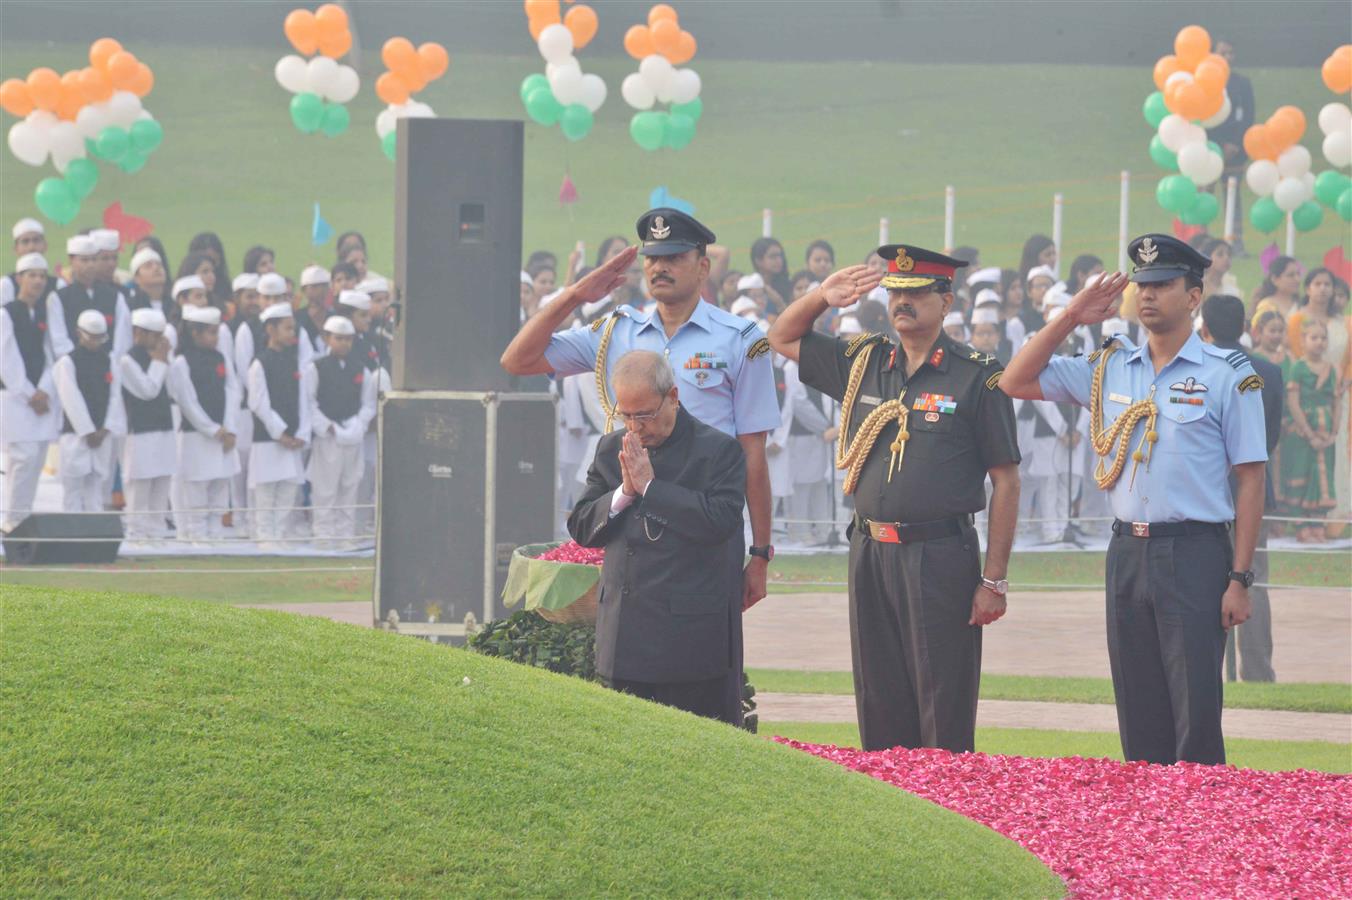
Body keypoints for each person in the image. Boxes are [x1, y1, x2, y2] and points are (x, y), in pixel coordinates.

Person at [502, 209, 781, 723]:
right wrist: (572, 298)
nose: (660, 268)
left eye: (674, 257)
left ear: (703, 266)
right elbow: (519, 360)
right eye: (652, 258)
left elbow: (752, 454)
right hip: (632, 530)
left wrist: (760, 552)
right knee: (626, 688)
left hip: (701, 525)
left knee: (704, 686)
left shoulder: (740, 339)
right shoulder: (615, 330)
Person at [1001, 234, 1267, 766]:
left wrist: (1239, 579)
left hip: (1194, 552)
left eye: (1162, 284)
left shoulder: (1227, 374)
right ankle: (1144, 834)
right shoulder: (1110, 367)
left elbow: (1251, 478)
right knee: (1136, 702)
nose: (1147, 295)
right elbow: (1014, 379)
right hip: (1128, 552)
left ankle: (1198, 827)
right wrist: (1071, 316)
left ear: (1193, 296)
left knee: (1194, 706)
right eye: (1141, 285)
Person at [768, 244, 1021, 753]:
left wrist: (993, 579)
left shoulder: (977, 374)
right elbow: (782, 336)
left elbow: (1007, 480)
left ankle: (945, 810)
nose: (901, 302)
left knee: (941, 699)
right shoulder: (865, 362)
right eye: (895, 292)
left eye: (916, 293)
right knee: (878, 694)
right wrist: (822, 296)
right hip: (870, 552)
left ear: (946, 301)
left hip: (940, 555)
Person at [567, 350, 747, 723]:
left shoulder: (718, 451)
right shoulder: (610, 448)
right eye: (626, 415)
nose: (635, 427)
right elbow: (583, 526)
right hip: (625, 638)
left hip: (690, 643)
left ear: (673, 397)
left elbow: (720, 522)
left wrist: (651, 488)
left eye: (644, 415)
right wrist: (625, 493)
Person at [1200, 294, 1281, 682]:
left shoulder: (1202, 369)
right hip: (1255, 487)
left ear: (1205, 329)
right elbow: (1271, 437)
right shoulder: (1269, 371)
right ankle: (1258, 671)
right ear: (1247, 327)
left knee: (1204, 582)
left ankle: (1208, 670)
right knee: (1254, 580)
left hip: (1208, 491)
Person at [168, 304, 240, 544]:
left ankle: (215, 536)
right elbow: (187, 402)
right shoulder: (181, 362)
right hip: (197, 436)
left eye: (217, 332)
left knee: (219, 488)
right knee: (196, 491)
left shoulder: (221, 358)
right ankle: (197, 537)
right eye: (210, 332)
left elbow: (232, 391)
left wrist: (228, 427)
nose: (215, 338)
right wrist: (212, 429)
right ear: (195, 333)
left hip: (224, 435)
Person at [1, 252, 61, 531]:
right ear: (19, 279)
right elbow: (7, 358)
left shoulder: (47, 313)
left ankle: (21, 519)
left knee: (35, 459)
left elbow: (52, 353)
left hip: (42, 400)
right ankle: (12, 520)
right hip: (17, 401)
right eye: (31, 275)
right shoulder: (6, 313)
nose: (37, 281)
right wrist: (29, 393)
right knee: (20, 461)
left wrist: (45, 389)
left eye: (41, 276)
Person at [304, 316, 376, 549]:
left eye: (348, 339)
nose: (344, 343)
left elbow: (368, 404)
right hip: (328, 437)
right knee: (325, 490)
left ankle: (345, 537)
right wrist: (328, 426)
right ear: (327, 338)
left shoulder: (360, 368)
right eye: (339, 338)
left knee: (350, 487)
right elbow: (309, 403)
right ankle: (323, 537)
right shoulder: (316, 367)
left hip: (353, 434)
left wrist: (358, 425)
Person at [247, 302, 310, 550]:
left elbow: (303, 399)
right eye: (287, 328)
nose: (292, 333)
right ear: (271, 329)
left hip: (292, 438)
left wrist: (301, 433)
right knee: (266, 491)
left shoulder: (293, 361)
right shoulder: (260, 363)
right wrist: (280, 432)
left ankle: (281, 534)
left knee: (287, 490)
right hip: (268, 438)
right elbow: (258, 402)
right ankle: (266, 536)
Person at [53, 310, 125, 512]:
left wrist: (105, 428)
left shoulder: (108, 360)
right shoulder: (67, 362)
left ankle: (94, 533)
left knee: (96, 487)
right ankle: (73, 537)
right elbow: (71, 398)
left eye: (100, 338)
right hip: (76, 435)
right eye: (92, 337)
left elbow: (115, 396)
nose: (96, 342)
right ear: (79, 333)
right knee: (73, 488)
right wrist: (87, 430)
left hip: (102, 434)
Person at [119, 308, 176, 541]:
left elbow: (171, 389)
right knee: (140, 487)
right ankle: (137, 534)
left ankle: (156, 533)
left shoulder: (160, 358)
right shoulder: (127, 360)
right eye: (154, 335)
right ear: (138, 333)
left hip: (164, 427)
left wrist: (163, 361)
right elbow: (148, 390)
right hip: (140, 432)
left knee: (161, 484)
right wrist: (160, 362)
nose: (158, 341)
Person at [1281, 318, 1339, 542]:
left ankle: (1317, 523)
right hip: (1302, 432)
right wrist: (1308, 433)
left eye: (1323, 338)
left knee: (1323, 476)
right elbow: (1293, 402)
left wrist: (1333, 432)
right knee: (1301, 474)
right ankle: (1300, 525)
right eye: (1314, 338)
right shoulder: (1298, 368)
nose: (1320, 342)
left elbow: (1336, 402)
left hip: (1326, 433)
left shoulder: (1331, 369)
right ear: (1303, 342)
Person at [50, 235, 131, 360]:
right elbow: (59, 340)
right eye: (84, 260)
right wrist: (77, 362)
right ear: (71, 260)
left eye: (93, 260)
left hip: (108, 367)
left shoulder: (115, 296)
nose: (90, 265)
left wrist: (110, 363)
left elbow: (122, 339)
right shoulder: (58, 298)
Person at [1209, 38, 1255, 253]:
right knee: (1204, 199)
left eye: (1231, 53)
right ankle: (1203, 245)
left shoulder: (1242, 84)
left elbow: (1248, 117)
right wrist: (1217, 146)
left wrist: (1235, 145)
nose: (1228, 57)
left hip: (1235, 153)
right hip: (1207, 153)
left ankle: (1236, 243)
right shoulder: (1204, 82)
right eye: (1223, 52)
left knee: (1233, 199)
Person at [2, 218, 64, 307]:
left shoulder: (58, 284)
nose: (31, 247)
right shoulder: (7, 284)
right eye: (25, 241)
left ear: (45, 246)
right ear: (15, 249)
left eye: (36, 240)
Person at [187, 232, 232, 309]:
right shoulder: (181, 296)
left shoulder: (229, 300)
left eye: (214, 264)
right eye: (205, 271)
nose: (211, 275)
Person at [750, 237, 791, 314]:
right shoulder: (749, 286)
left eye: (780, 255)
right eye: (773, 256)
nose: (779, 260)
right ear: (758, 261)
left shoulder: (787, 286)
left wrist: (778, 302)